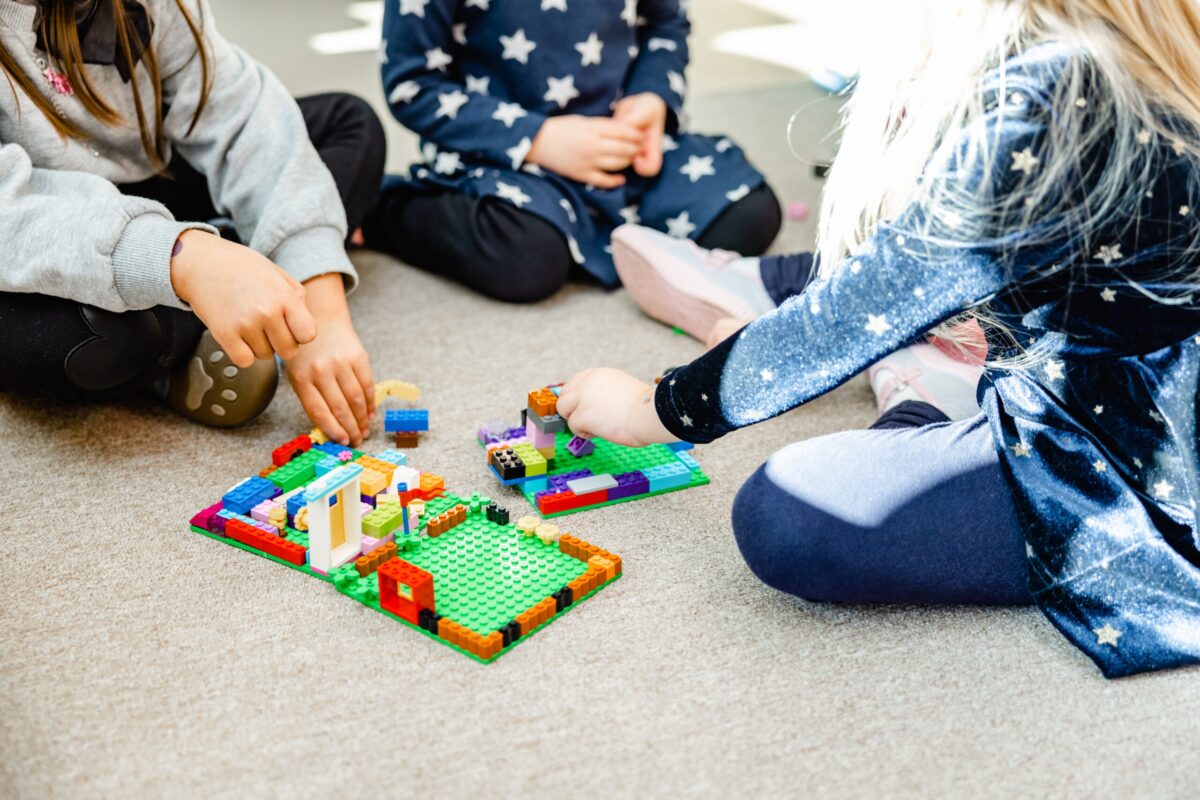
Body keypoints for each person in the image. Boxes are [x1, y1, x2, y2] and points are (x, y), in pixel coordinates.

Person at [555, 0, 1200, 678]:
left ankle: (918, 391)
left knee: (786, 512)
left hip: (1123, 464)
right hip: (1142, 389)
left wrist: (652, 409)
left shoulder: (1040, 104)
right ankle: (915, 349)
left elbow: (841, 323)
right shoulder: (1151, 51)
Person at [0, 0, 387, 446]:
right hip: (30, 238)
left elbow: (242, 114)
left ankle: (232, 286)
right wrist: (179, 257)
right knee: (91, 335)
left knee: (348, 124)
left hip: (146, 195)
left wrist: (321, 305)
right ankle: (218, 289)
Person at [362, 0, 781, 303]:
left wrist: (650, 100)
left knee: (750, 214)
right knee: (528, 260)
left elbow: (666, 25)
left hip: (617, 150)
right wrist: (540, 139)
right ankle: (386, 208)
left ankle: (587, 235)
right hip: (500, 158)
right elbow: (412, 85)